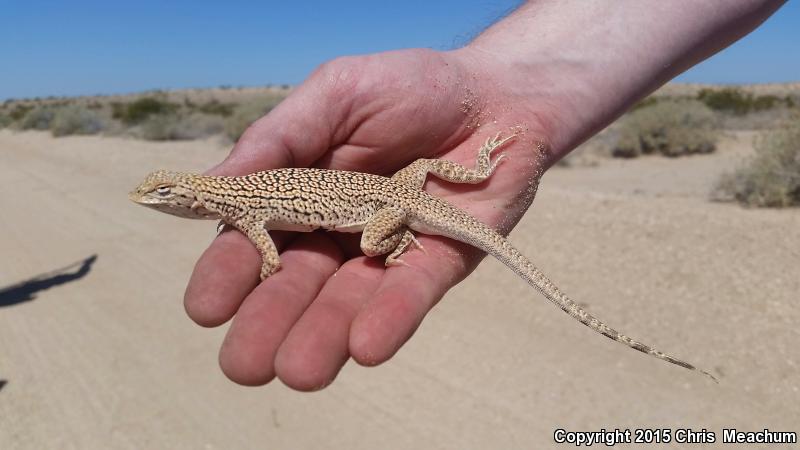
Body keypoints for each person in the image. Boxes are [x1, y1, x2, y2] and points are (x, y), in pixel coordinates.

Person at [182, 0, 785, 390]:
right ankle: (470, 174)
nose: (165, 202)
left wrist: (374, 242)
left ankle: (403, 236)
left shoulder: (241, 202)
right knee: (416, 173)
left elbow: (265, 246)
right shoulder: (242, 195)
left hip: (389, 206)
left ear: (191, 195)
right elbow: (263, 234)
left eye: (167, 195)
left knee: (370, 244)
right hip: (396, 188)